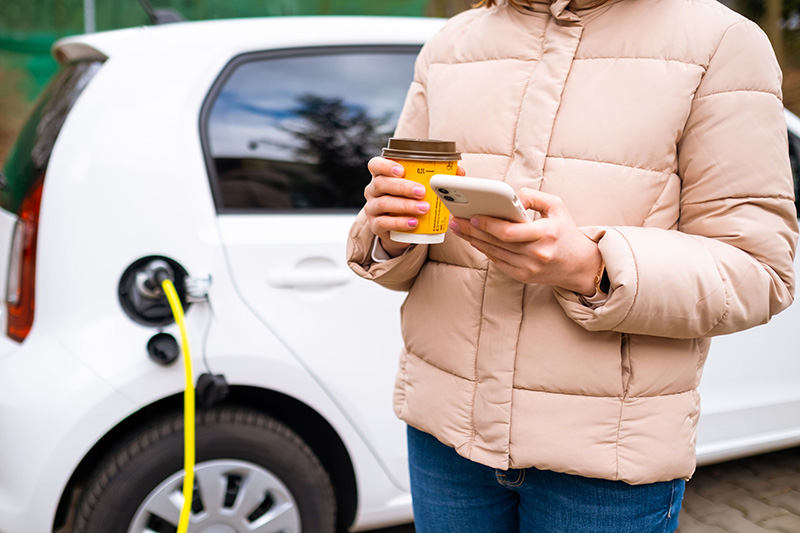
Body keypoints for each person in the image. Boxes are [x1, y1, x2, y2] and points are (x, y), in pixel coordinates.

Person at [347, 0, 799, 531]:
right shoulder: (453, 43)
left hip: (603, 460)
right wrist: (389, 230)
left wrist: (591, 266)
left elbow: (759, 271)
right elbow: (410, 234)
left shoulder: (720, 41)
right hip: (444, 438)